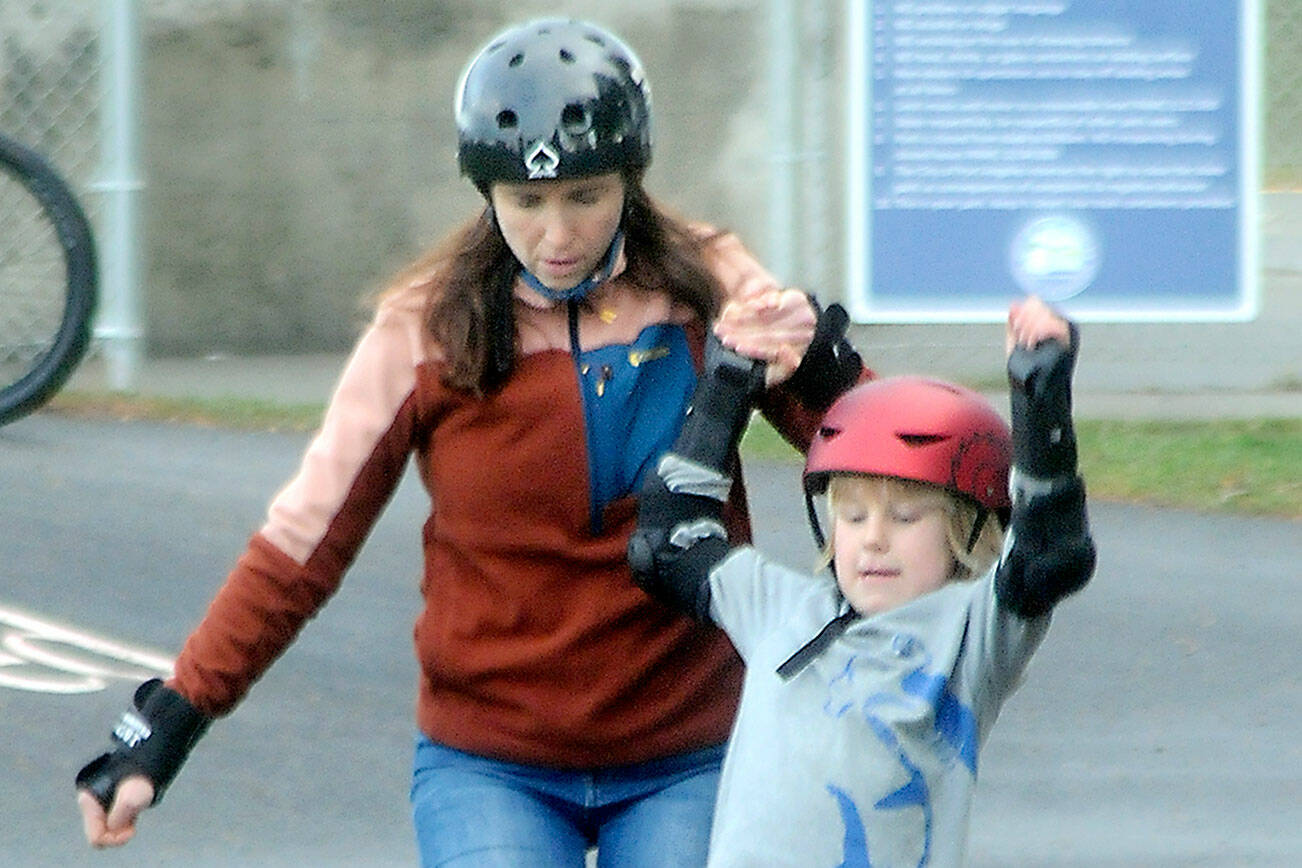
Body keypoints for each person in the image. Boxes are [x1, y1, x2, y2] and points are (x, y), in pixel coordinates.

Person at [73, 17, 868, 866]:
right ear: (485, 192)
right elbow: (301, 546)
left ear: (630, 181)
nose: (556, 235)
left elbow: (870, 456)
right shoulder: (422, 326)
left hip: (690, 751)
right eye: (526, 202)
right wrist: (169, 722)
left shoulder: (705, 282)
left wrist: (816, 363)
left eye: (586, 196)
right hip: (493, 764)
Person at [628, 296, 1097, 866]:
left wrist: (1039, 393)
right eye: (852, 517)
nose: (873, 538)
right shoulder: (779, 607)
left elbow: (1050, 556)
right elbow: (667, 544)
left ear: (969, 531)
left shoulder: (973, 637)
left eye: (904, 518)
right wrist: (729, 382)